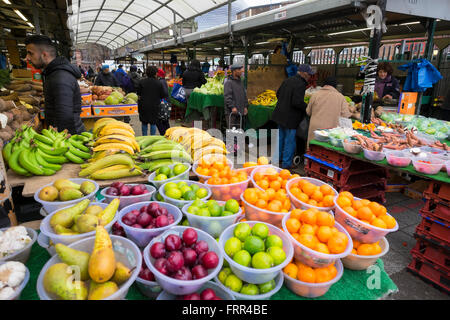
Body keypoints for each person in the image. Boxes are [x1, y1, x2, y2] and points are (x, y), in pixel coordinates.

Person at [25, 34, 85, 134]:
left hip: (68, 138)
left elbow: (65, 117)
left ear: (44, 55)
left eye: (30, 53)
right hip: (62, 135)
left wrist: (60, 144)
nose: (27, 58)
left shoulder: (60, 77)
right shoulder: (52, 73)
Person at [271, 64, 314, 169]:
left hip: (280, 115)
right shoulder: (300, 84)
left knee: (280, 139)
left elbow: (278, 94)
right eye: (308, 74)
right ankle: (286, 164)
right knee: (289, 141)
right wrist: (308, 108)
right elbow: (297, 102)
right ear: (303, 73)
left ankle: (276, 161)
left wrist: (284, 102)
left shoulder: (287, 80)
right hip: (290, 118)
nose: (309, 76)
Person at [306, 76, 351, 146]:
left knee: (313, 150)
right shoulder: (341, 97)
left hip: (315, 130)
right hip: (331, 131)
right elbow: (345, 116)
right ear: (335, 86)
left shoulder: (315, 95)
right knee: (326, 150)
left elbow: (308, 112)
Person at [137, 66, 167, 136]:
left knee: (144, 122)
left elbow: (138, 93)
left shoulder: (142, 82)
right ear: (155, 73)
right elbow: (163, 95)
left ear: (146, 73)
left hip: (143, 105)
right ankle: (152, 138)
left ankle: (144, 138)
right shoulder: (158, 83)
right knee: (153, 123)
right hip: (154, 105)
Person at [224, 63, 248, 129]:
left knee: (238, 130)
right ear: (234, 71)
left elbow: (244, 94)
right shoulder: (228, 83)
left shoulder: (240, 81)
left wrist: (245, 106)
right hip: (231, 111)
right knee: (232, 130)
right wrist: (232, 107)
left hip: (240, 110)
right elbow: (227, 97)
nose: (242, 71)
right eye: (239, 69)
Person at [156, 68, 171, 135]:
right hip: (166, 102)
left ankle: (163, 134)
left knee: (160, 120)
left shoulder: (160, 82)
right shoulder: (163, 81)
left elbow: (164, 92)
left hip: (163, 102)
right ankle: (168, 134)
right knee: (165, 120)